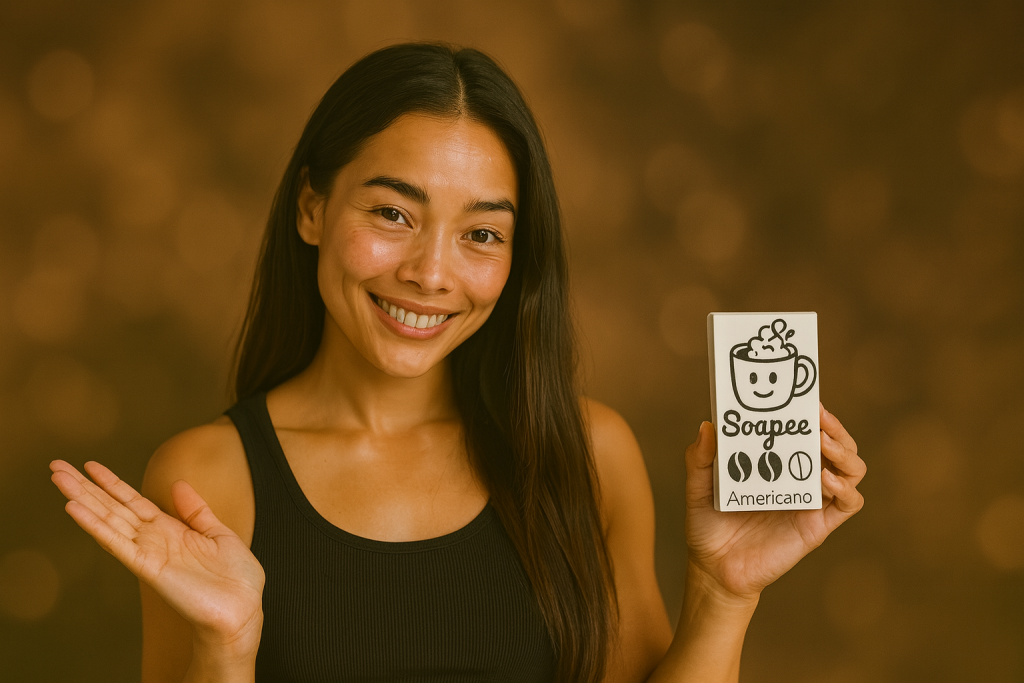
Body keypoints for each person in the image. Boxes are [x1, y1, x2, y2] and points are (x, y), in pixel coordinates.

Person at [49, 42, 866, 683]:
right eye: (393, 213)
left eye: (480, 233)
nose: (432, 273)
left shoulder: (589, 454)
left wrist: (723, 591)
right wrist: (227, 647)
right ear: (311, 207)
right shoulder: (207, 478)